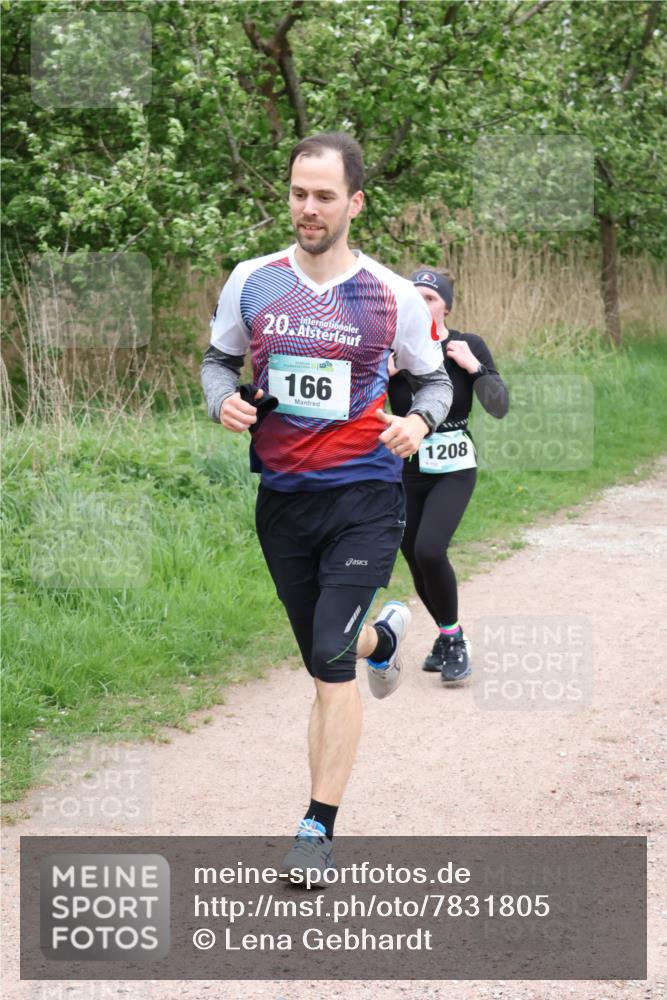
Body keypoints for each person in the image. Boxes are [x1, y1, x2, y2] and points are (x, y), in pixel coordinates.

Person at [200, 133, 452, 880]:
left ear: (354, 202)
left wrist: (419, 422)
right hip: (281, 500)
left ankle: (316, 828)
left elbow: (433, 382)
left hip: (365, 496)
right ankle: (385, 634)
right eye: (297, 194)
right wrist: (223, 403)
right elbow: (220, 360)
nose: (308, 209)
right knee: (328, 649)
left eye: (323, 196)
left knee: (327, 661)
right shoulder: (252, 282)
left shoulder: (392, 294)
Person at [388, 268, 509, 684]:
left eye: (430, 298)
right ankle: (445, 634)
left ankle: (455, 640)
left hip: (454, 467)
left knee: (430, 550)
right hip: (406, 467)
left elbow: (498, 406)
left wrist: (475, 368)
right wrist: (379, 376)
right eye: (415, 298)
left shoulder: (467, 345)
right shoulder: (393, 350)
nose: (422, 305)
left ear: (446, 306)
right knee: (414, 558)